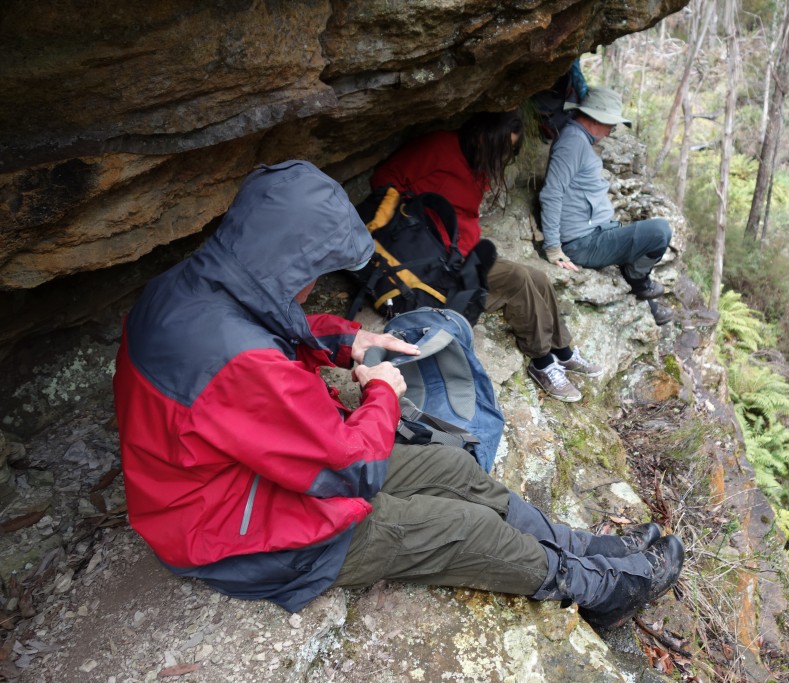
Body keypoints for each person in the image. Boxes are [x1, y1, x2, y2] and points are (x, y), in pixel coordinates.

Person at [113, 160, 685, 628]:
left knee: (451, 470)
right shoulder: (239, 362)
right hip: (240, 534)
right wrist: (382, 391)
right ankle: (603, 590)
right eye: (315, 269)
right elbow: (351, 466)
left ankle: (580, 547)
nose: (314, 283)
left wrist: (347, 339)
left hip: (233, 480)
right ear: (286, 257)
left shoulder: (189, 289)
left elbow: (267, 323)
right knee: (467, 530)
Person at [371, 112, 600, 403]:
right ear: (481, 136)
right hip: (431, 268)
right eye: (501, 147)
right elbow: (383, 180)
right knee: (518, 281)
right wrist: (414, 225)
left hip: (463, 258)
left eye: (510, 150)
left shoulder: (478, 163)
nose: (503, 156)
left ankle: (563, 351)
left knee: (538, 277)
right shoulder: (439, 148)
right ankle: (542, 362)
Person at [539, 86, 674, 326]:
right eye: (611, 124)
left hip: (597, 232)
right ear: (595, 119)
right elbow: (552, 192)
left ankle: (648, 302)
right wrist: (552, 248)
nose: (612, 131)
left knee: (639, 236)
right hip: (582, 242)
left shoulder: (579, 139)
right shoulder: (572, 142)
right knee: (659, 232)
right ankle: (639, 281)